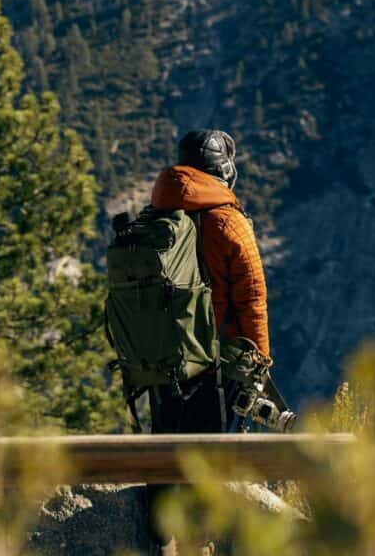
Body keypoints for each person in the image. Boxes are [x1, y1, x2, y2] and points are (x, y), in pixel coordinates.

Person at [144, 129, 271, 552]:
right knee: (207, 459)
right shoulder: (227, 221)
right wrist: (259, 363)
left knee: (164, 449)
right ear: (225, 170)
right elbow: (252, 298)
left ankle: (157, 542)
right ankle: (199, 545)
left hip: (160, 357)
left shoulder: (156, 216)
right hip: (213, 363)